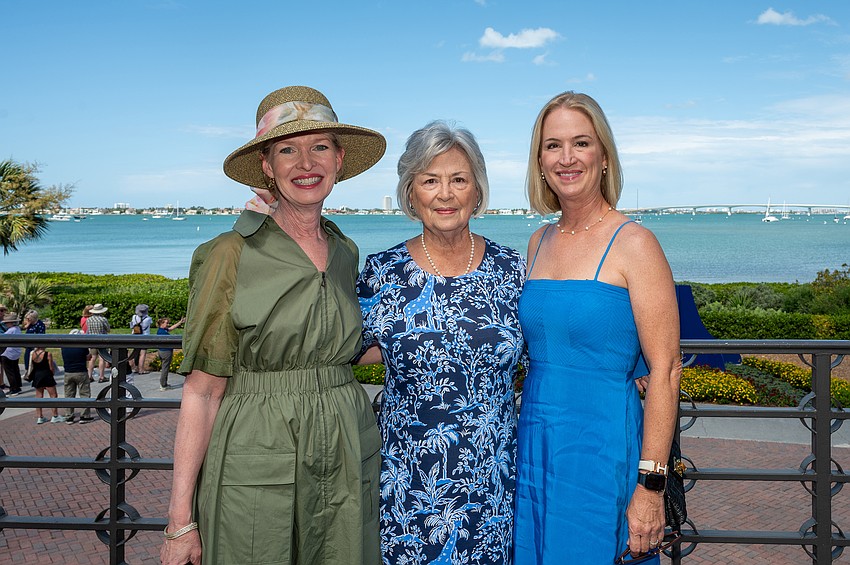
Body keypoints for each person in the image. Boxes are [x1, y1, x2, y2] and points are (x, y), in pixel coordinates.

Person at [161, 86, 386, 565]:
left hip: (346, 448)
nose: (306, 162)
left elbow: (341, 346)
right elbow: (202, 391)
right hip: (257, 451)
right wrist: (180, 519)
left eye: (320, 146)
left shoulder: (345, 252)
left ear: (340, 160)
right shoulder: (229, 252)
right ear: (267, 165)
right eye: (288, 149)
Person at [512, 91, 682, 564]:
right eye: (552, 145)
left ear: (604, 156)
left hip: (603, 447)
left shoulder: (636, 244)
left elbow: (666, 371)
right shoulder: (537, 241)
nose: (566, 158)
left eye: (581, 143)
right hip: (536, 445)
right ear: (539, 160)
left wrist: (650, 487)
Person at [356, 121, 526, 564]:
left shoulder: (513, 270)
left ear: (478, 191)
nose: (445, 194)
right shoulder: (383, 272)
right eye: (430, 180)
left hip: (493, 491)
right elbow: (331, 350)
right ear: (411, 193)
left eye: (459, 179)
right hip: (408, 493)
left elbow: (557, 343)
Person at [61, 329, 94, 424]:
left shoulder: (64, 346)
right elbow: (88, 357)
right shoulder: (82, 346)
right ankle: (84, 416)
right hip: (81, 371)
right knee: (84, 394)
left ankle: (69, 416)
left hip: (68, 372)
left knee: (69, 395)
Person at [27, 346, 64, 423]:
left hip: (37, 376)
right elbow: (51, 367)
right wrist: (52, 373)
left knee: (39, 397)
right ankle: (55, 415)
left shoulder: (33, 353)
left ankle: (40, 417)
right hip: (46, 375)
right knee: (53, 395)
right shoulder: (48, 354)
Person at [155, 316, 184, 391]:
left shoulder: (162, 330)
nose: (168, 324)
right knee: (165, 369)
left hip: (162, 351)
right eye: (166, 323)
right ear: (162, 323)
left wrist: (180, 322)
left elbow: (171, 328)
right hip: (165, 352)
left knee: (165, 368)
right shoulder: (162, 332)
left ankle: (164, 383)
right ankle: (163, 385)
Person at [86, 304, 111, 382]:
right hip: (102, 340)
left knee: (92, 358)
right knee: (102, 358)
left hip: (92, 340)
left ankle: (89, 376)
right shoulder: (103, 319)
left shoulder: (89, 320)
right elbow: (108, 329)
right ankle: (101, 376)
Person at [1, 312, 23, 396]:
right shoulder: (17, 329)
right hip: (15, 353)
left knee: (9, 372)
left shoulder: (11, 331)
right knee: (15, 370)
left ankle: (14, 388)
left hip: (7, 353)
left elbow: (3, 338)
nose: (6, 324)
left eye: (7, 322)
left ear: (12, 322)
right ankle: (18, 385)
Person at [128, 304, 153, 374]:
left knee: (135, 352)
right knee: (143, 353)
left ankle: (134, 367)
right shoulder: (148, 319)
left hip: (135, 336)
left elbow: (131, 326)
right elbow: (149, 324)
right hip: (144, 337)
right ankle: (141, 369)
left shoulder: (134, 317)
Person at [22, 309, 46, 374]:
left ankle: (35, 371)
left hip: (36, 345)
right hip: (28, 345)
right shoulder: (29, 324)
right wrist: (27, 324)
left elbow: (41, 335)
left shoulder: (40, 324)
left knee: (36, 360)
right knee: (27, 358)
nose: (27, 320)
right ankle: (27, 371)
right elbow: (23, 328)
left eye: (29, 319)